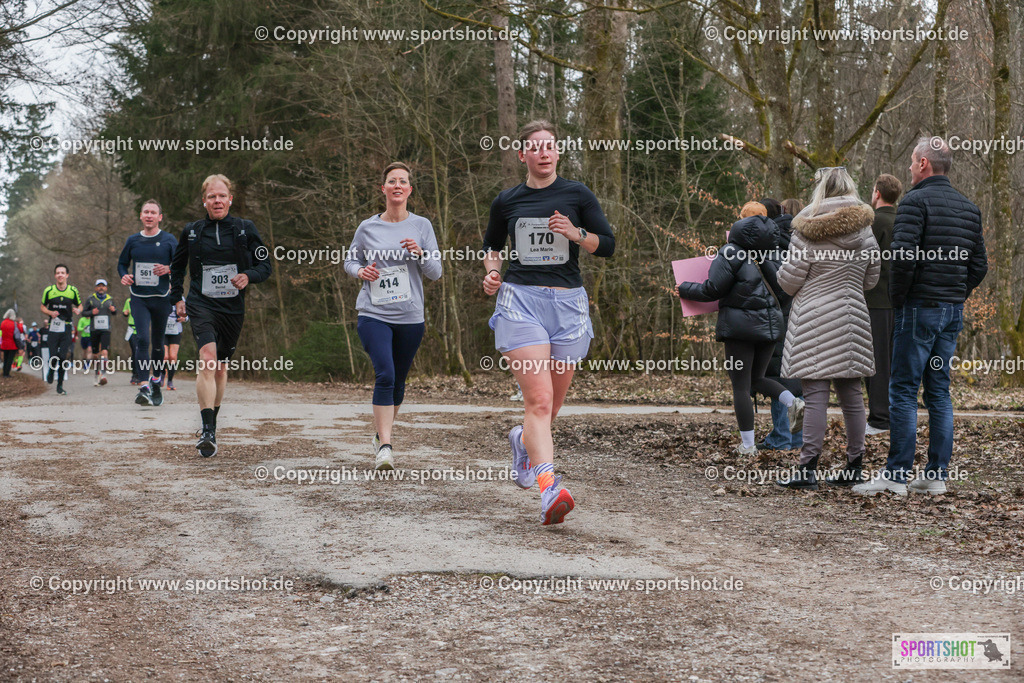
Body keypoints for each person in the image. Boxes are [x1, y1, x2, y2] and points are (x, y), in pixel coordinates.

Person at [483, 120, 615, 525]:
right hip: (521, 302)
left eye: (550, 147)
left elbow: (607, 245)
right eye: (535, 147)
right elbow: (491, 245)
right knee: (538, 402)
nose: (543, 153)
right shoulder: (507, 200)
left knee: (552, 406)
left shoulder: (577, 194)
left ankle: (522, 441)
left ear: (558, 153)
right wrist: (491, 272)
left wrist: (576, 233)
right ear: (522, 154)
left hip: (568, 305)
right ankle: (548, 489)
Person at [854, 138, 987, 497]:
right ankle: (936, 474)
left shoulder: (914, 201)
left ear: (925, 163)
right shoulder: (969, 208)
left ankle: (896, 475)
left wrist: (900, 300)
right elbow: (979, 266)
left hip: (918, 308)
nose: (910, 167)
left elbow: (902, 259)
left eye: (913, 161)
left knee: (902, 389)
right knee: (939, 392)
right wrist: (956, 293)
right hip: (950, 311)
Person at [773, 168, 879, 491]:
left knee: (816, 394)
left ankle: (808, 469)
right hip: (852, 318)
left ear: (821, 190)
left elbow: (788, 282)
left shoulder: (807, 230)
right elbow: (872, 278)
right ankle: (854, 465)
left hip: (814, 321)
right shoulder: (866, 231)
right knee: (852, 397)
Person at [679, 202, 804, 457]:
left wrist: (683, 288)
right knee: (758, 379)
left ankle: (747, 446)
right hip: (771, 328)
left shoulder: (730, 252)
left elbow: (713, 288)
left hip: (740, 330)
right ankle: (793, 401)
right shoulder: (773, 252)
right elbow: (784, 291)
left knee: (741, 386)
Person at [343, 162, 442, 470]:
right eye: (391, 181)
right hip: (374, 313)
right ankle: (385, 446)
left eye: (403, 181)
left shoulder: (422, 226)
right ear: (383, 189)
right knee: (385, 373)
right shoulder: (367, 227)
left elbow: (436, 272)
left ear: (409, 190)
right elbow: (350, 260)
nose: (397, 185)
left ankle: (379, 434)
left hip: (411, 317)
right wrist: (361, 270)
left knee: (398, 381)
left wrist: (421, 254)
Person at [170, 174, 272, 457]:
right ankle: (208, 431)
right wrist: (176, 298)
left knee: (221, 367)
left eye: (222, 196)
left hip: (232, 307)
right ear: (204, 201)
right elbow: (177, 268)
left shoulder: (244, 229)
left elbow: (265, 265)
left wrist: (248, 275)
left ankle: (211, 422)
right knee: (207, 358)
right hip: (201, 303)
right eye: (211, 196)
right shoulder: (191, 231)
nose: (217, 200)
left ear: (230, 199)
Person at [119, 199, 178, 407]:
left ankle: (156, 380)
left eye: (154, 212)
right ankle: (144, 384)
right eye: (146, 212)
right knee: (143, 338)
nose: (150, 215)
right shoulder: (133, 241)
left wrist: (169, 269)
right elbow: (122, 263)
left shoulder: (170, 240)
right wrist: (124, 276)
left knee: (159, 342)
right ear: (141, 216)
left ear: (160, 217)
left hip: (162, 298)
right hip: (139, 298)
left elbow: (181, 266)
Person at [755, 197, 803, 452]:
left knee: (779, 378)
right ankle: (797, 437)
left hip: (777, 316)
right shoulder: (807, 241)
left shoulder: (769, 244)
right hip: (804, 315)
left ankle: (782, 437)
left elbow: (780, 287)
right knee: (799, 379)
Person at [863, 174, 902, 436]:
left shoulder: (873, 224)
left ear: (877, 193)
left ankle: (879, 418)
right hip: (899, 302)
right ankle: (891, 412)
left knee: (875, 360)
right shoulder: (903, 221)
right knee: (893, 360)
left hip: (875, 300)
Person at [40, 264, 83, 395]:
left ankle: (60, 385)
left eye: (62, 273)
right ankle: (51, 371)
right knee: (53, 356)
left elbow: (80, 305)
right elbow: (42, 307)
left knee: (63, 357)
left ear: (67, 275)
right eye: (58, 273)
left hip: (66, 327)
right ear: (55, 275)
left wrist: (78, 310)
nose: (60, 275)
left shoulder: (73, 290)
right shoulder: (49, 290)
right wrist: (50, 312)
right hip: (53, 327)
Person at [82, 278, 118, 386]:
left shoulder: (110, 299)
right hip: (94, 330)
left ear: (106, 288)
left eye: (103, 286)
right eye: (99, 286)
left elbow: (115, 312)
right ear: (96, 288)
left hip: (106, 329)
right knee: (95, 355)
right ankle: (96, 374)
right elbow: (84, 313)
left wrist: (114, 310)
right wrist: (91, 312)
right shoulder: (91, 299)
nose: (101, 287)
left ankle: (103, 375)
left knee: (105, 352)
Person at [162, 308, 187, 390]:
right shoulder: (162, 296)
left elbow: (188, 313)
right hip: (163, 331)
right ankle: (162, 373)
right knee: (164, 357)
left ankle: (170, 381)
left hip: (176, 330)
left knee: (172, 357)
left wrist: (185, 318)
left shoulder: (180, 299)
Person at [123, 298, 141, 384]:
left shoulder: (144, 299)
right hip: (132, 330)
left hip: (141, 329)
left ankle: (141, 374)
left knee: (141, 352)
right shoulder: (129, 301)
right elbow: (125, 312)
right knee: (135, 351)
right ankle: (134, 375)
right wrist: (125, 313)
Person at [1, 310, 17, 377]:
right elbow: (17, 333)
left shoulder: (3, 323)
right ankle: (7, 373)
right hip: (12, 344)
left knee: (5, 359)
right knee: (10, 360)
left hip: (4, 344)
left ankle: (4, 372)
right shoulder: (13, 323)